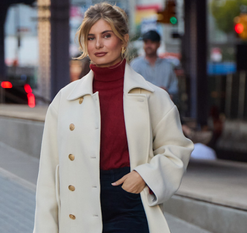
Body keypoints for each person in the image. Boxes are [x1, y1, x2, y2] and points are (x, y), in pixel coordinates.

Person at [33, 3, 193, 233]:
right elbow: (48, 175)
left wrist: (145, 176)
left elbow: (177, 149)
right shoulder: (64, 100)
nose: (98, 44)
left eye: (106, 36)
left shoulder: (152, 97)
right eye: (91, 37)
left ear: (124, 39)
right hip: (78, 208)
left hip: (128, 203)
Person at [130, 30, 178, 99]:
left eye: (152, 42)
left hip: (163, 106)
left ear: (158, 44)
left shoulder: (167, 65)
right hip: (142, 106)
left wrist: (167, 92)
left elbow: (174, 89)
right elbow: (130, 88)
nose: (148, 45)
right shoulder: (135, 64)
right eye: (146, 42)